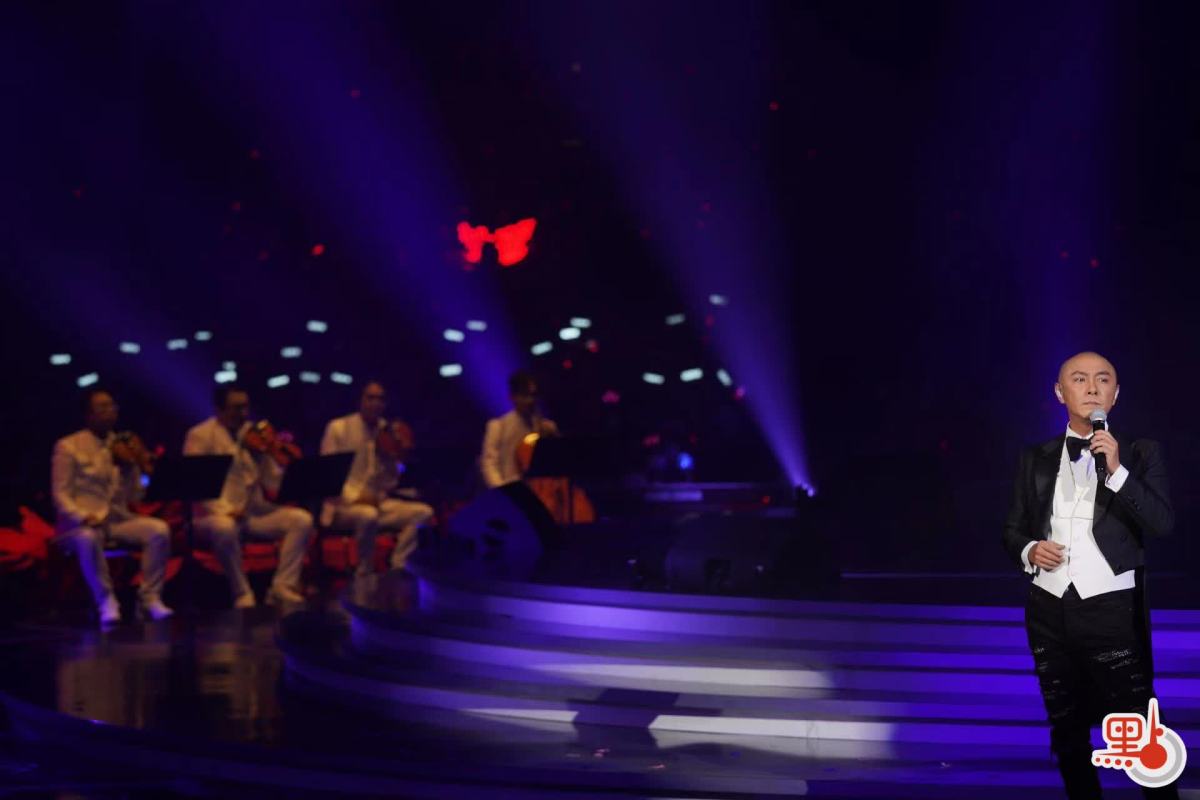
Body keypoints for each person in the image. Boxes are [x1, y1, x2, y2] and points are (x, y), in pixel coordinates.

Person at [1002, 352, 1178, 798]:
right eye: (1079, 379)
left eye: (1103, 380)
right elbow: (1013, 529)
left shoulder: (1141, 452)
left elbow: (1162, 523)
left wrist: (1117, 471)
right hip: (1048, 607)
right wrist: (1029, 549)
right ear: (1060, 392)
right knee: (1066, 727)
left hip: (1111, 608)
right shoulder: (1035, 457)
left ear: (1116, 395)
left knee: (1139, 724)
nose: (1092, 388)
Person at [184, 385, 314, 607]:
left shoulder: (254, 435)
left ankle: (282, 586)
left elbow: (272, 483)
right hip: (211, 516)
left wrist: (271, 452)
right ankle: (242, 592)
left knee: (302, 519)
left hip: (251, 514)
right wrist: (226, 511)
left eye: (245, 407)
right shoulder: (200, 435)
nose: (243, 413)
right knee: (225, 527)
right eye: (236, 408)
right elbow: (198, 487)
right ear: (219, 410)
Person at [51, 388, 173, 624]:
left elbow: (135, 496)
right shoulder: (68, 446)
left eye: (112, 406)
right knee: (88, 537)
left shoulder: (121, 445)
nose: (110, 411)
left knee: (158, 530)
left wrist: (132, 465)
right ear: (88, 414)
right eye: (103, 407)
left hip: (115, 520)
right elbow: (60, 495)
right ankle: (106, 600)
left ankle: (149, 598)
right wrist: (82, 517)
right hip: (78, 525)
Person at [320, 381, 433, 574]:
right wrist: (358, 498)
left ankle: (398, 564)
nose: (375, 403)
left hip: (378, 504)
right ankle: (364, 571)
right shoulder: (338, 427)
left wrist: (395, 456)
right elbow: (328, 477)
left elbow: (390, 483)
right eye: (370, 398)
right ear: (360, 400)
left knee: (424, 513)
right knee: (368, 514)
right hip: (341, 507)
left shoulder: (387, 431)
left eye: (380, 399)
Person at [480, 371, 559, 489]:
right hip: (513, 488)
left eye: (533, 395)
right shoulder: (498, 426)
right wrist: (502, 489)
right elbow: (489, 463)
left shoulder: (546, 427)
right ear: (513, 397)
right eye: (525, 395)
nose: (530, 401)